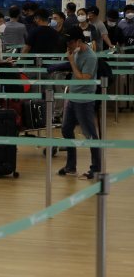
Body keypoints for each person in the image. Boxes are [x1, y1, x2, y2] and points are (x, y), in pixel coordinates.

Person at [58, 27, 101, 180]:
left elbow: (84, 77)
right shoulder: (75, 52)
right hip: (73, 97)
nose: (68, 46)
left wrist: (71, 62)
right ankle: (70, 166)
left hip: (84, 99)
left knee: (90, 135)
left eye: (70, 42)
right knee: (66, 130)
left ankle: (96, 169)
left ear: (79, 41)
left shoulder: (90, 56)